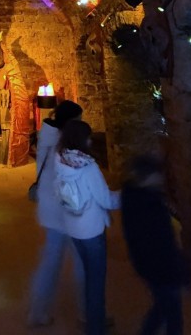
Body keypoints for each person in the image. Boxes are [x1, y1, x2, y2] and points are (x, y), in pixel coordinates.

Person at [55, 119, 120, 335]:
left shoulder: (59, 159)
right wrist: (129, 195)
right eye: (88, 136)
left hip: (73, 228)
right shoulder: (88, 167)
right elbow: (106, 200)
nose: (91, 140)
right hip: (92, 230)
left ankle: (96, 318)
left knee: (88, 276)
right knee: (96, 281)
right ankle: (95, 327)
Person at [28, 100, 85, 328]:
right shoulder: (65, 145)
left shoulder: (47, 138)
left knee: (51, 261)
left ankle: (37, 311)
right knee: (84, 261)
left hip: (50, 208)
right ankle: (88, 312)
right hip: (69, 209)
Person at [121, 155, 185, 335]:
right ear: (149, 176)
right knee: (172, 311)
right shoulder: (149, 204)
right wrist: (176, 265)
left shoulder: (133, 196)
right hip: (160, 266)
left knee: (163, 307)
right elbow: (161, 240)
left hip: (148, 264)